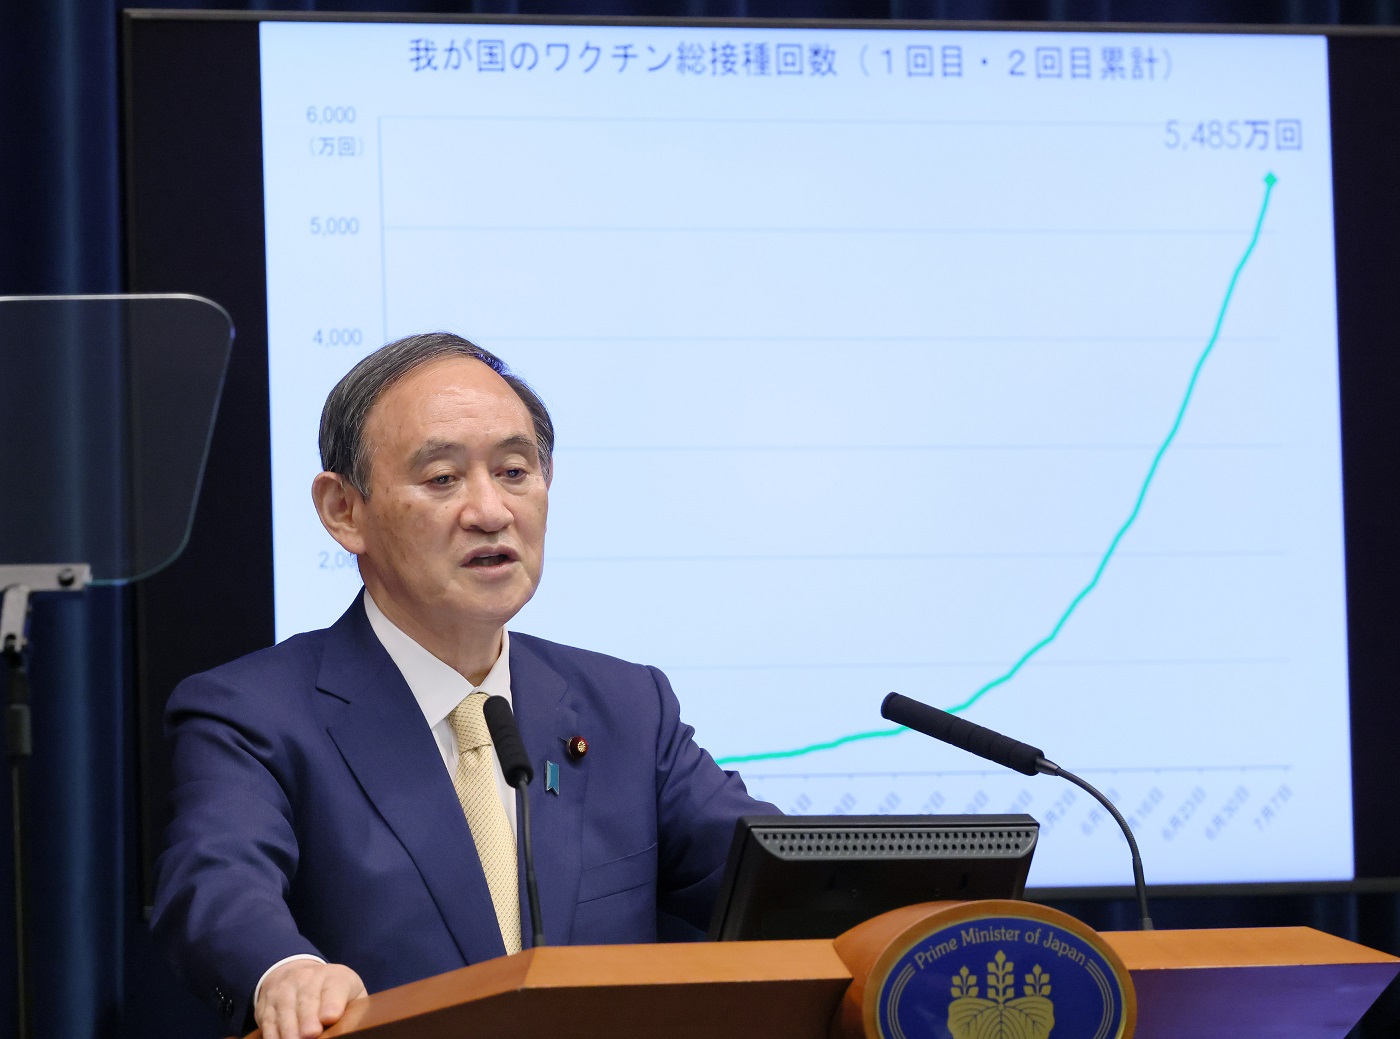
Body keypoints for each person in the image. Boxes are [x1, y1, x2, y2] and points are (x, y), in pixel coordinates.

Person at [151, 333, 776, 1039]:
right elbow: (217, 884)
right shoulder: (253, 714)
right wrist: (287, 970)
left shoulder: (627, 706)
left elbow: (774, 875)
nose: (491, 510)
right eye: (444, 478)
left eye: (514, 471)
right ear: (343, 510)